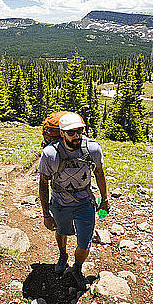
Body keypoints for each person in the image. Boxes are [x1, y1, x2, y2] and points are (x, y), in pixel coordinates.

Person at [38, 112, 109, 290]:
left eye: (80, 131)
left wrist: (105, 200)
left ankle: (77, 268)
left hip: (85, 203)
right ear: (62, 133)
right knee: (61, 230)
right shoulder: (50, 154)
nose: (77, 135)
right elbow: (43, 183)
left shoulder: (92, 149)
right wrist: (46, 214)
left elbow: (99, 173)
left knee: (85, 241)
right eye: (71, 132)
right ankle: (63, 255)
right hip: (60, 203)